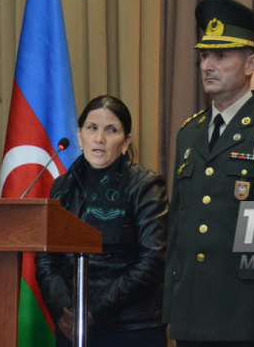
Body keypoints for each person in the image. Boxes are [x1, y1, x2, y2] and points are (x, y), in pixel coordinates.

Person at [163, 0, 254, 346]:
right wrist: (170, 304)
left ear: (251, 64)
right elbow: (177, 231)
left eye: (221, 56)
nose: (208, 66)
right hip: (190, 309)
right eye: (204, 56)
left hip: (246, 310)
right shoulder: (190, 132)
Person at [35, 95, 168, 347]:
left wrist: (93, 312)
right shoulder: (61, 187)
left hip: (131, 328)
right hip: (71, 327)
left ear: (126, 142)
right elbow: (45, 257)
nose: (99, 139)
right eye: (92, 128)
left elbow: (152, 261)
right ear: (79, 136)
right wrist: (66, 311)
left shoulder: (145, 185)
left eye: (112, 130)